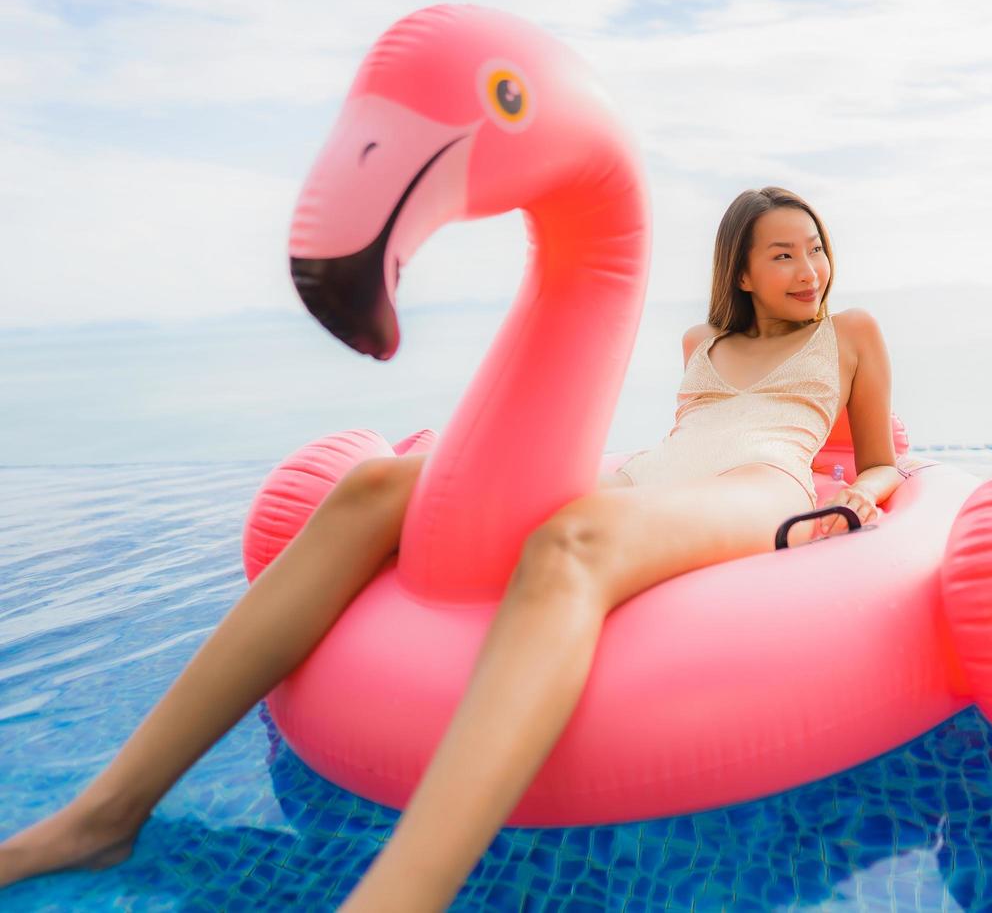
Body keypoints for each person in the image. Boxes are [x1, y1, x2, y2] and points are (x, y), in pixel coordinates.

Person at [0, 186, 905, 911]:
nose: (808, 267)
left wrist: (861, 496)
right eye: (783, 252)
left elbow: (875, 460)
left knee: (570, 540)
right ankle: (105, 812)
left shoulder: (851, 334)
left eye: (815, 248)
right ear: (741, 272)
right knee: (376, 486)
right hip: (653, 481)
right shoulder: (697, 341)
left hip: (759, 489)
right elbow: (675, 441)